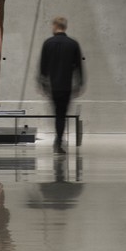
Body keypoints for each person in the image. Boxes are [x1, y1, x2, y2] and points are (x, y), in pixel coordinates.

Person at [39, 16, 84, 154]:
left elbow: (43, 67)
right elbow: (78, 67)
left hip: (54, 86)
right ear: (65, 27)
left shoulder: (48, 43)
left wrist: (43, 84)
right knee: (62, 114)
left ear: (55, 26)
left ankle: (58, 140)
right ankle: (58, 139)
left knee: (57, 113)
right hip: (66, 85)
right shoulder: (73, 44)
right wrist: (80, 83)